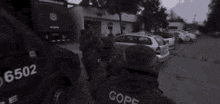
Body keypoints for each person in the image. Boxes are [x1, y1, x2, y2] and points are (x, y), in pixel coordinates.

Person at [90, 45, 175, 104]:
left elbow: (94, 88)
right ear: (152, 64)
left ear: (125, 61)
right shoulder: (159, 100)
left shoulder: (103, 86)